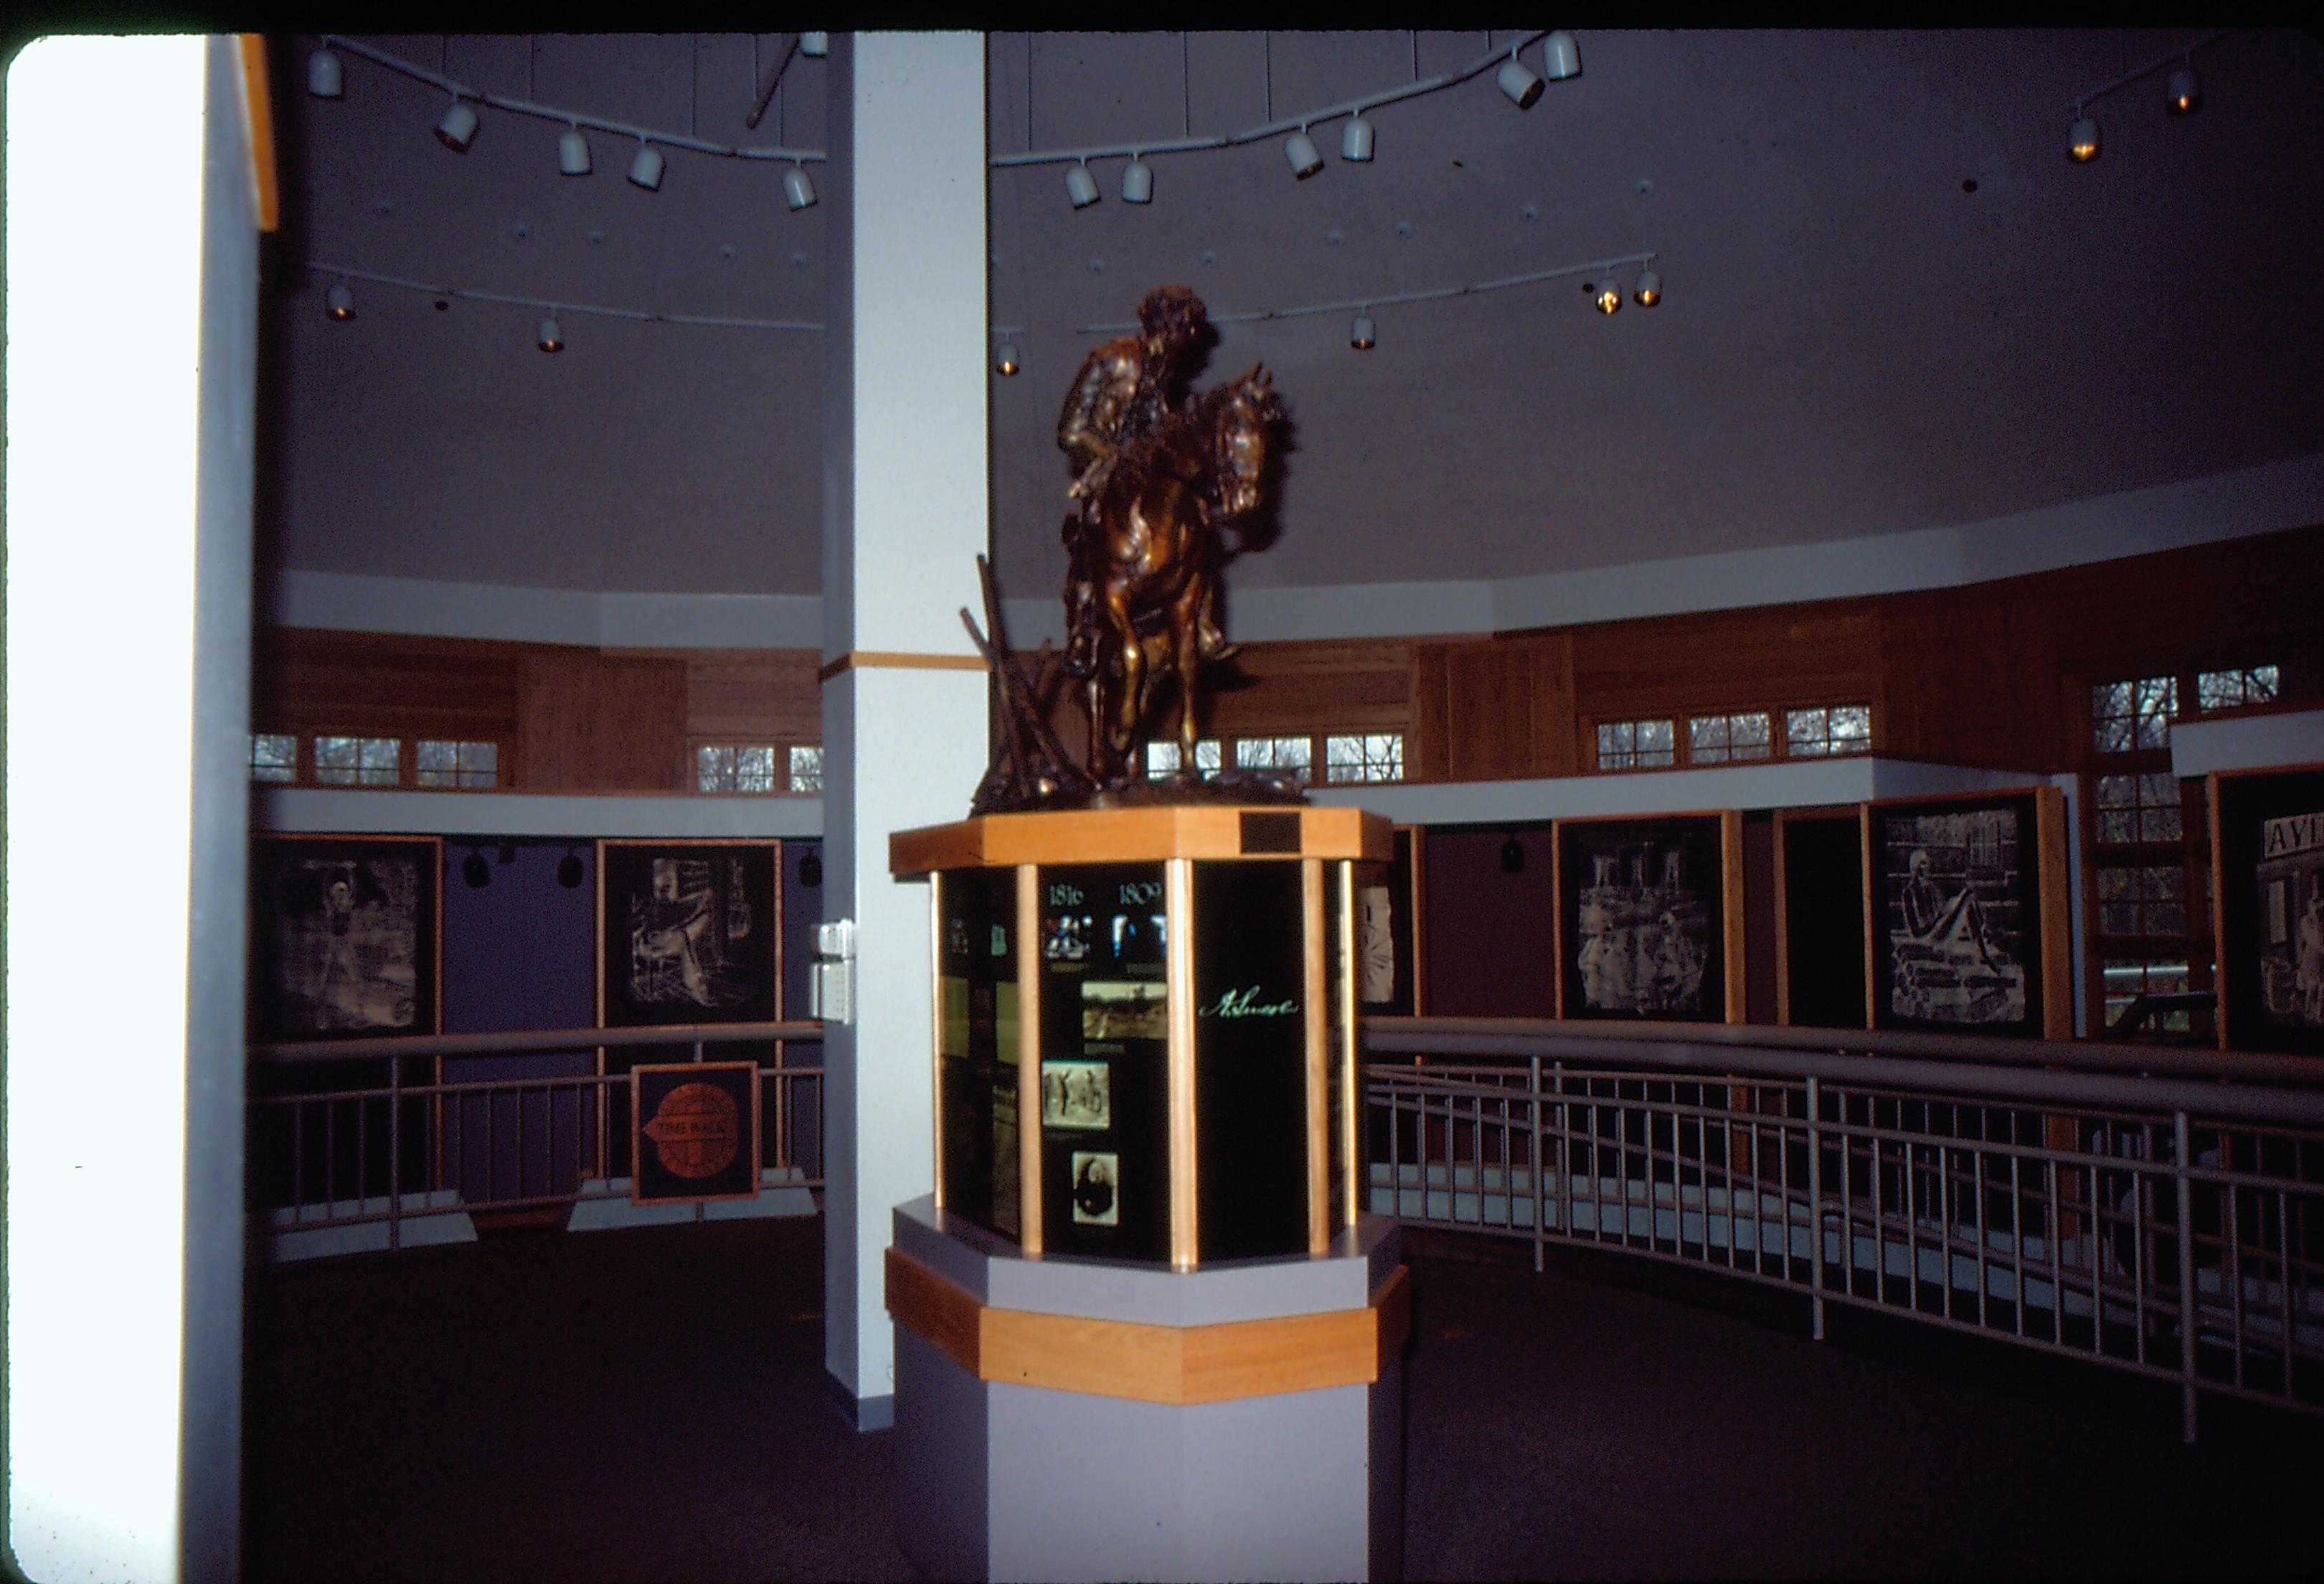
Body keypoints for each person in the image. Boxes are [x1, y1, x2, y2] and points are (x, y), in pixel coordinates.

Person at [1056, 285, 1229, 672]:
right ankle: (1083, 631)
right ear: (1169, 324)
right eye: (1189, 326)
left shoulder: (1166, 372)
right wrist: (1117, 456)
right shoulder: (1109, 360)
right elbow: (1069, 430)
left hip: (1149, 470)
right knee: (1092, 527)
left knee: (1197, 515)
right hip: (1110, 466)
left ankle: (1202, 623)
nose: (1194, 336)